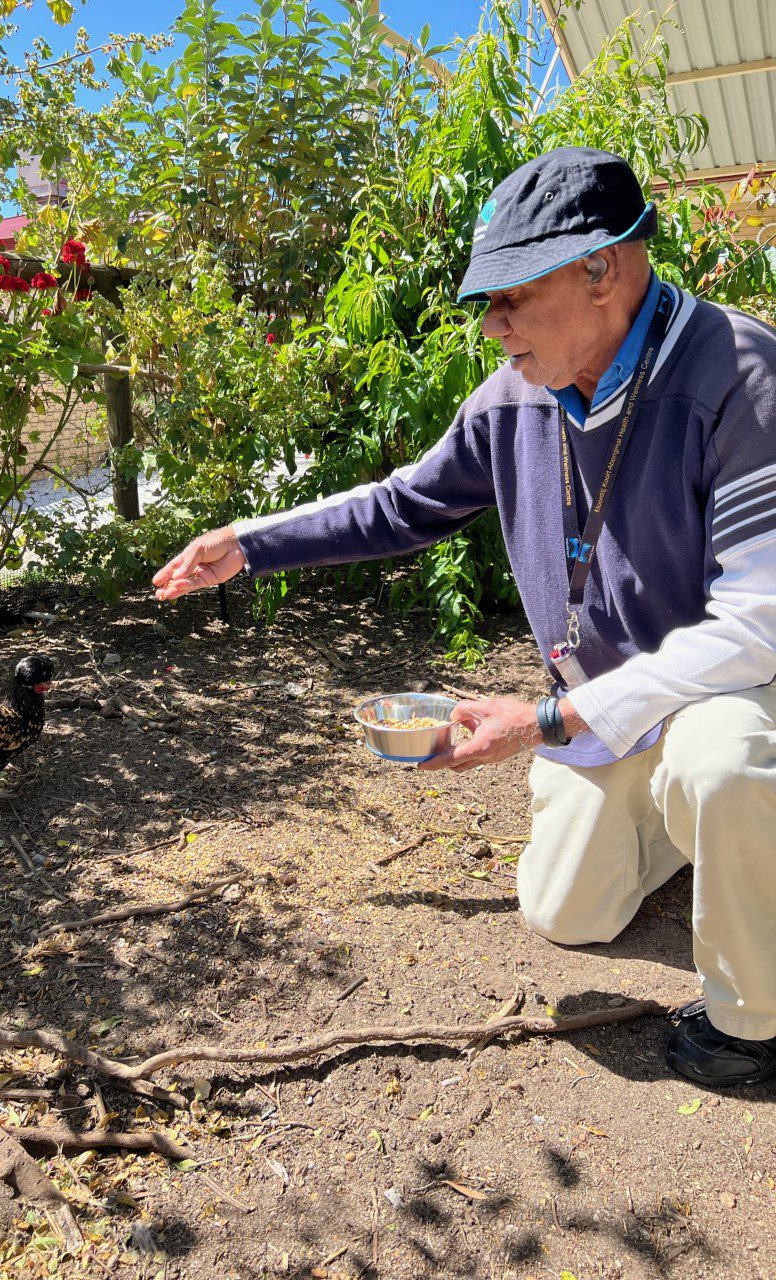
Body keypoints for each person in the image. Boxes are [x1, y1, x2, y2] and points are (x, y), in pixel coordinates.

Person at [153, 147, 776, 1088]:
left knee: (721, 760)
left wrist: (546, 721)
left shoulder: (741, 374)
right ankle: (715, 841)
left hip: (725, 697)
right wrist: (251, 541)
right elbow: (405, 503)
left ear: (601, 267)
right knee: (563, 912)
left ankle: (755, 1021)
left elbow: (758, 625)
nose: (492, 327)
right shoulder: (515, 397)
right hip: (604, 716)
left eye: (510, 297)